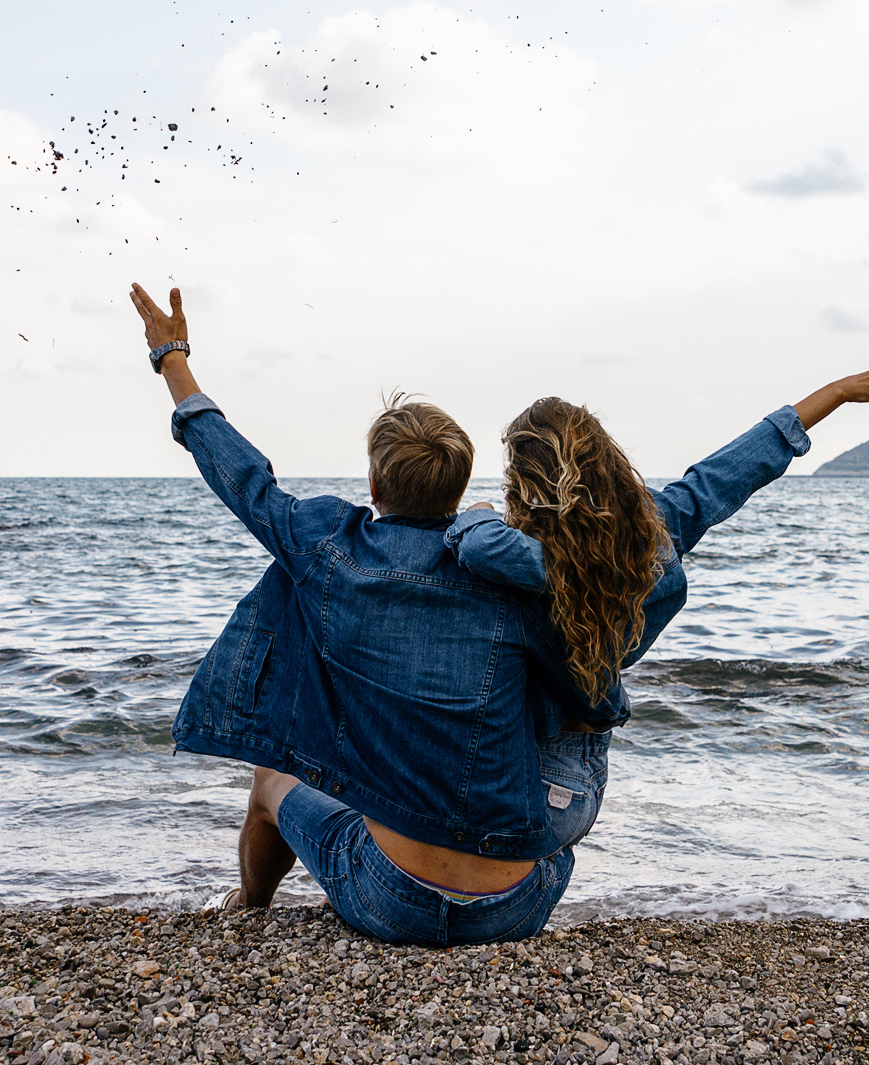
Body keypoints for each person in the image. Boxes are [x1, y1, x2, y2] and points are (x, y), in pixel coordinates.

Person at [130, 282, 572, 947]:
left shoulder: (330, 547)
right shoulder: (507, 570)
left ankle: (248, 906)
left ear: (373, 485)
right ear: (458, 489)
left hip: (394, 900)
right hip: (521, 904)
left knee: (272, 780)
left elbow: (241, 475)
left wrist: (173, 355)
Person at [448, 357, 869, 852]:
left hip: (517, 769)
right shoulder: (653, 539)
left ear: (527, 481)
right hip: (580, 780)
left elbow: (479, 546)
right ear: (606, 464)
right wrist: (835, 393)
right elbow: (728, 473)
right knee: (534, 862)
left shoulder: (517, 558)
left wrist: (474, 516)